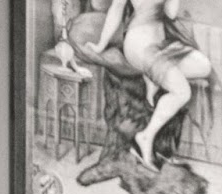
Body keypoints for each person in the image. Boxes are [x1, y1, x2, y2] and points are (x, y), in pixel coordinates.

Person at [91, 0, 214, 170]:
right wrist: (100, 45)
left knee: (204, 66)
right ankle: (145, 137)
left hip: (161, 45)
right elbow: (116, 8)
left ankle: (154, 76)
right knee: (182, 92)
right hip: (138, 46)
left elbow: (170, 13)